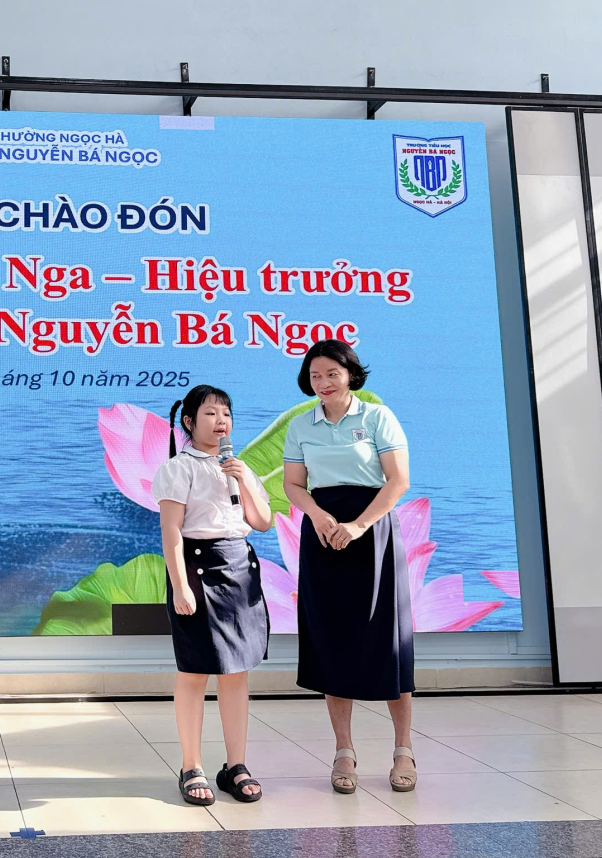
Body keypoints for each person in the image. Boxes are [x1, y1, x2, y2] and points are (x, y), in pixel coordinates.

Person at [282, 339, 415, 795]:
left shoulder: (377, 417)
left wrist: (359, 525)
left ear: (350, 374)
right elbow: (294, 486)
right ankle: (343, 751)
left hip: (372, 530)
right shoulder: (301, 425)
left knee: (387, 639)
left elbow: (398, 481)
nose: (323, 383)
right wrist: (318, 515)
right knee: (332, 641)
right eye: (315, 376)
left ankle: (403, 749)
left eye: (331, 374)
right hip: (322, 533)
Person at [153, 383, 273, 806]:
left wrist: (244, 479)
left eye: (226, 413)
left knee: (236, 671)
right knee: (194, 670)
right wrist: (181, 585)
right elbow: (171, 531)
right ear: (189, 422)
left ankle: (235, 766)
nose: (221, 421)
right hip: (197, 568)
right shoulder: (178, 467)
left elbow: (262, 522)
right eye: (210, 413)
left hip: (239, 568)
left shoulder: (238, 466)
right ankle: (191, 765)